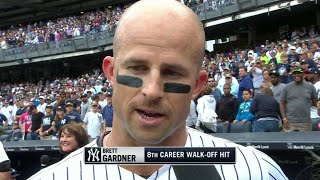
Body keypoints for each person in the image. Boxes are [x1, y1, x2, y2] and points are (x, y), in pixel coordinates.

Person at [29, 1, 288, 180]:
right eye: (137, 68)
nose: (152, 91)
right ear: (111, 72)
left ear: (197, 85)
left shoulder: (254, 172)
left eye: (172, 72)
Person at [280, 67, 318, 131]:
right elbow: (282, 102)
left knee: (305, 141)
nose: (296, 75)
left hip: (305, 122)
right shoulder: (287, 87)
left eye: (299, 73)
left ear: (303, 74)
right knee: (289, 140)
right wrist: (284, 118)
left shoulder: (310, 87)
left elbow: (316, 102)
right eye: (295, 74)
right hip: (290, 122)